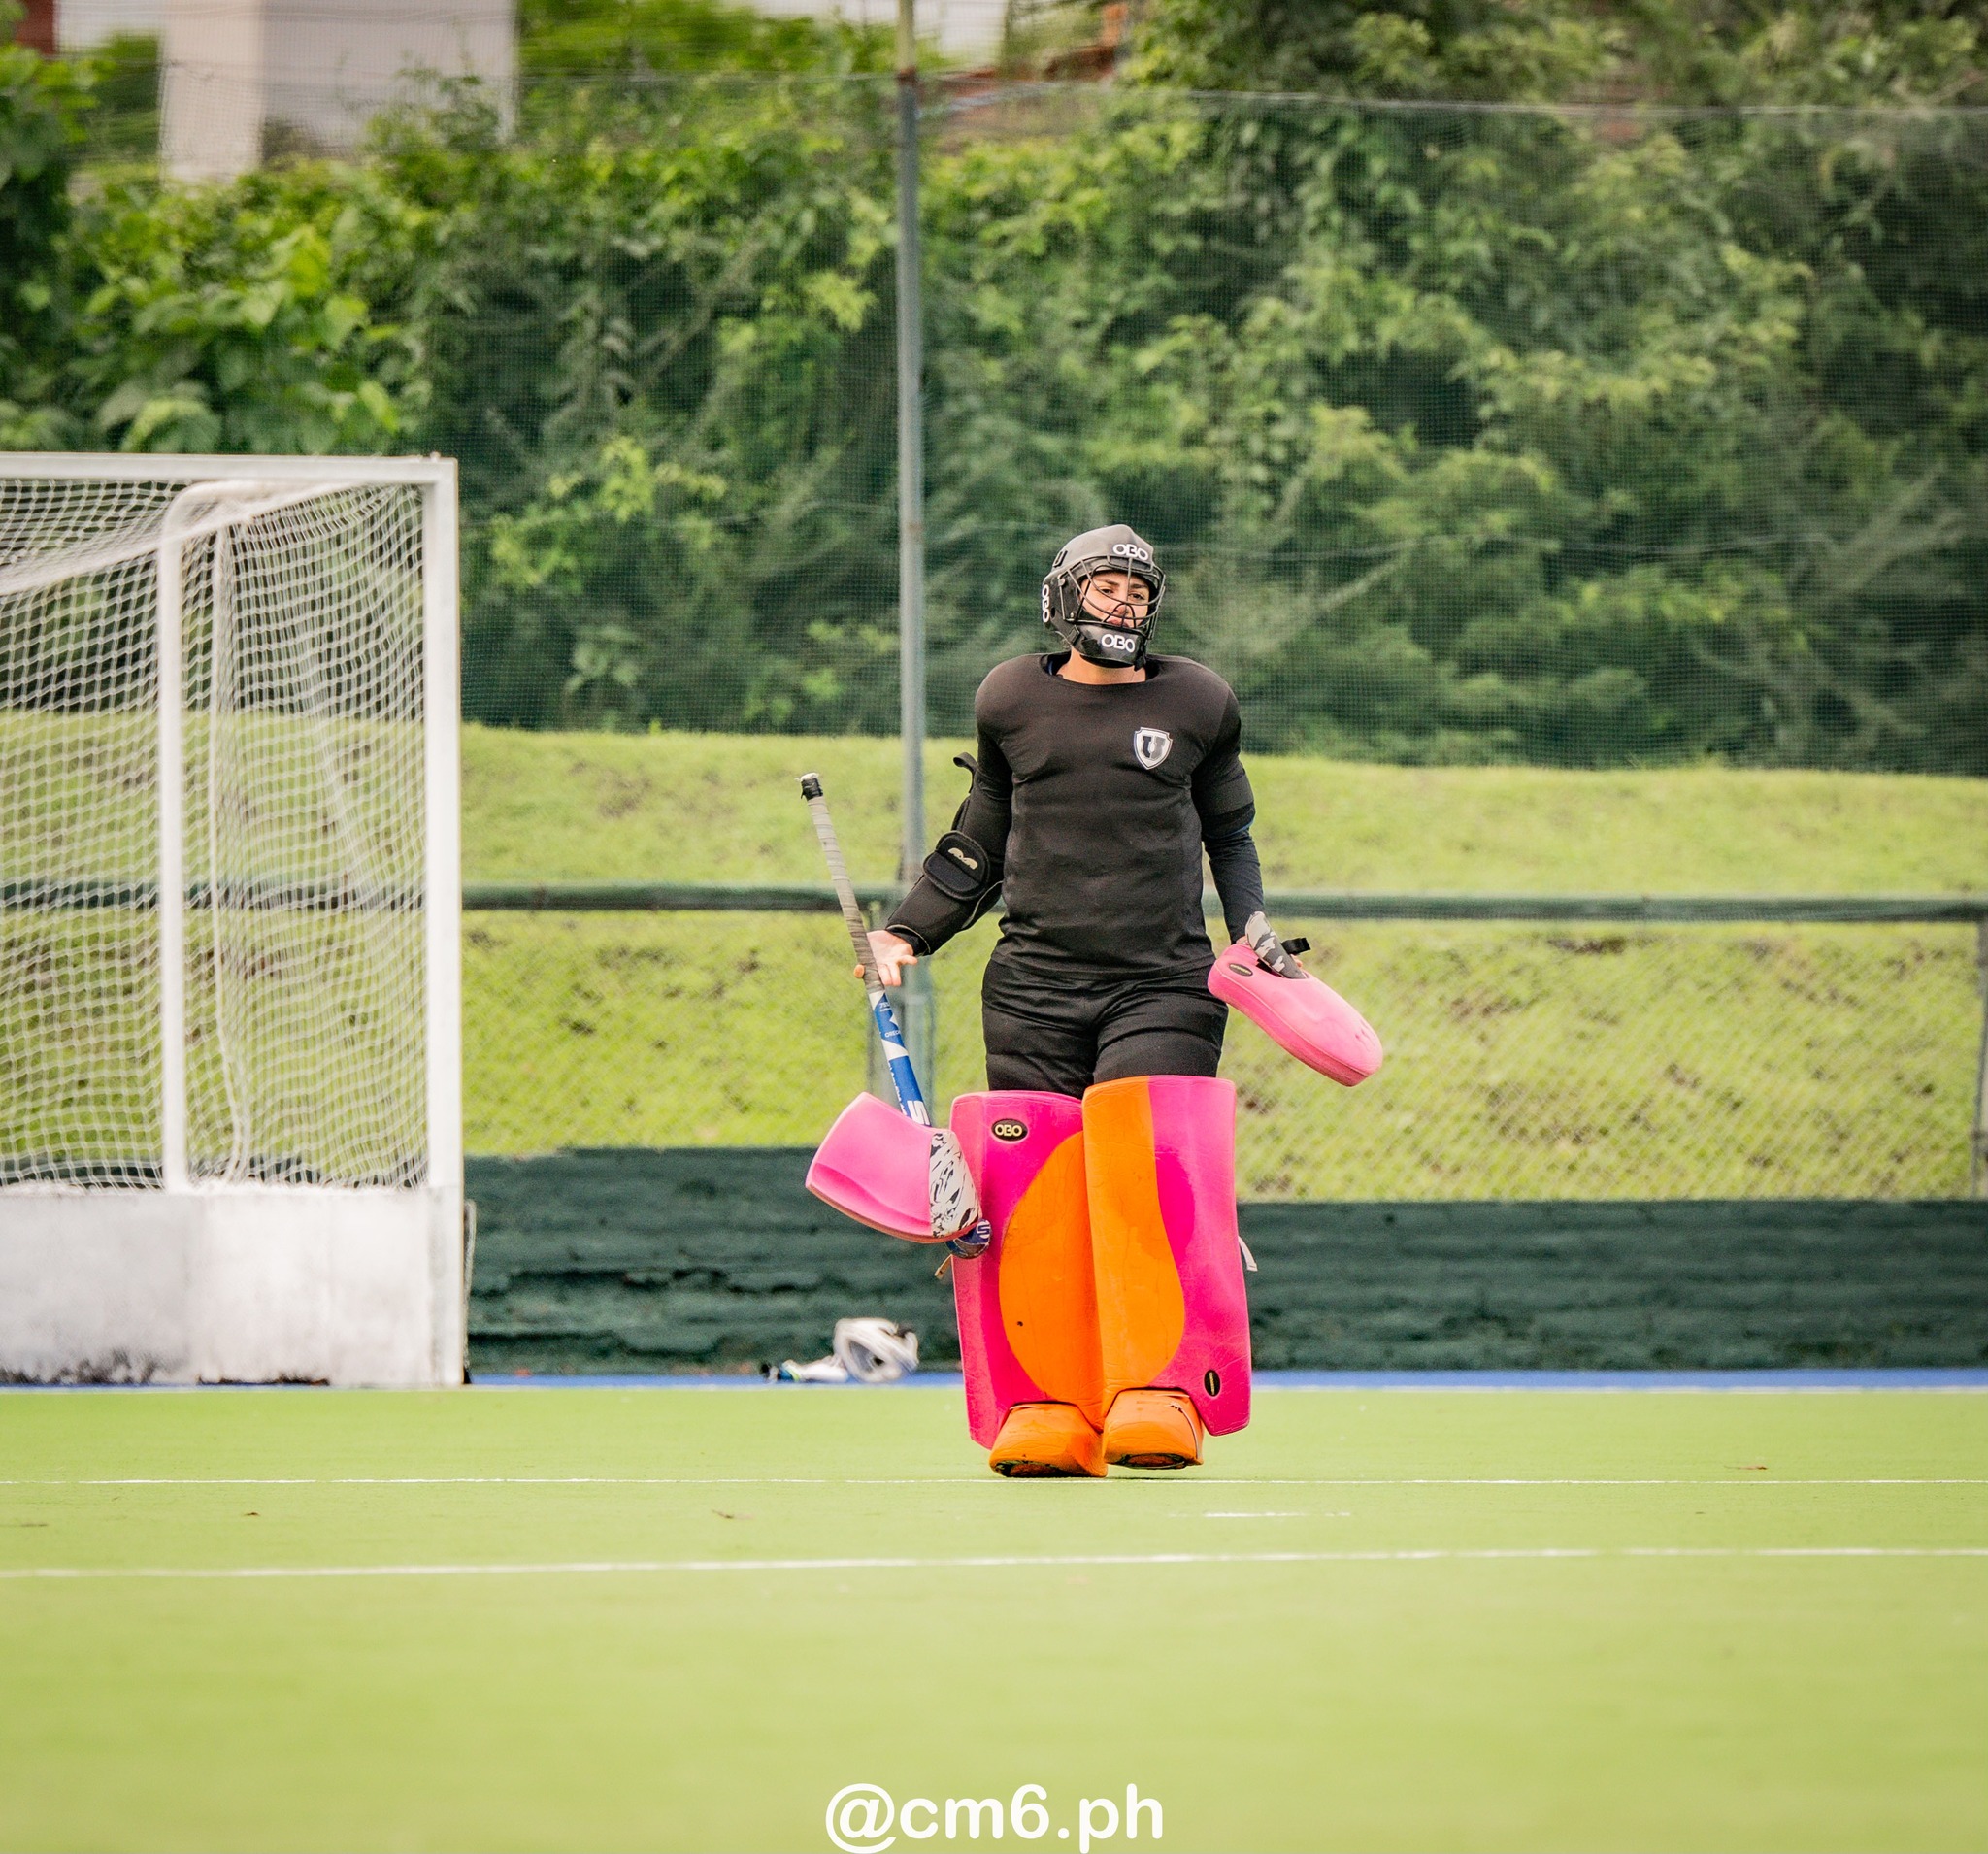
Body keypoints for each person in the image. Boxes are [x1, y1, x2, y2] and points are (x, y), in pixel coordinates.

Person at [864, 523, 1301, 1477]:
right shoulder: (1009, 697)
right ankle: (1049, 1405)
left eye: (1139, 592)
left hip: (1163, 983)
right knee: (1035, 1205)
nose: (1124, 603)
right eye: (1107, 586)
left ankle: (1156, 1392)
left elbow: (1229, 834)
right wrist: (905, 932)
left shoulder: (1198, 700)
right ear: (1063, 596)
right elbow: (978, 840)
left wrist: (1253, 927)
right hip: (1031, 987)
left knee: (1139, 1187)